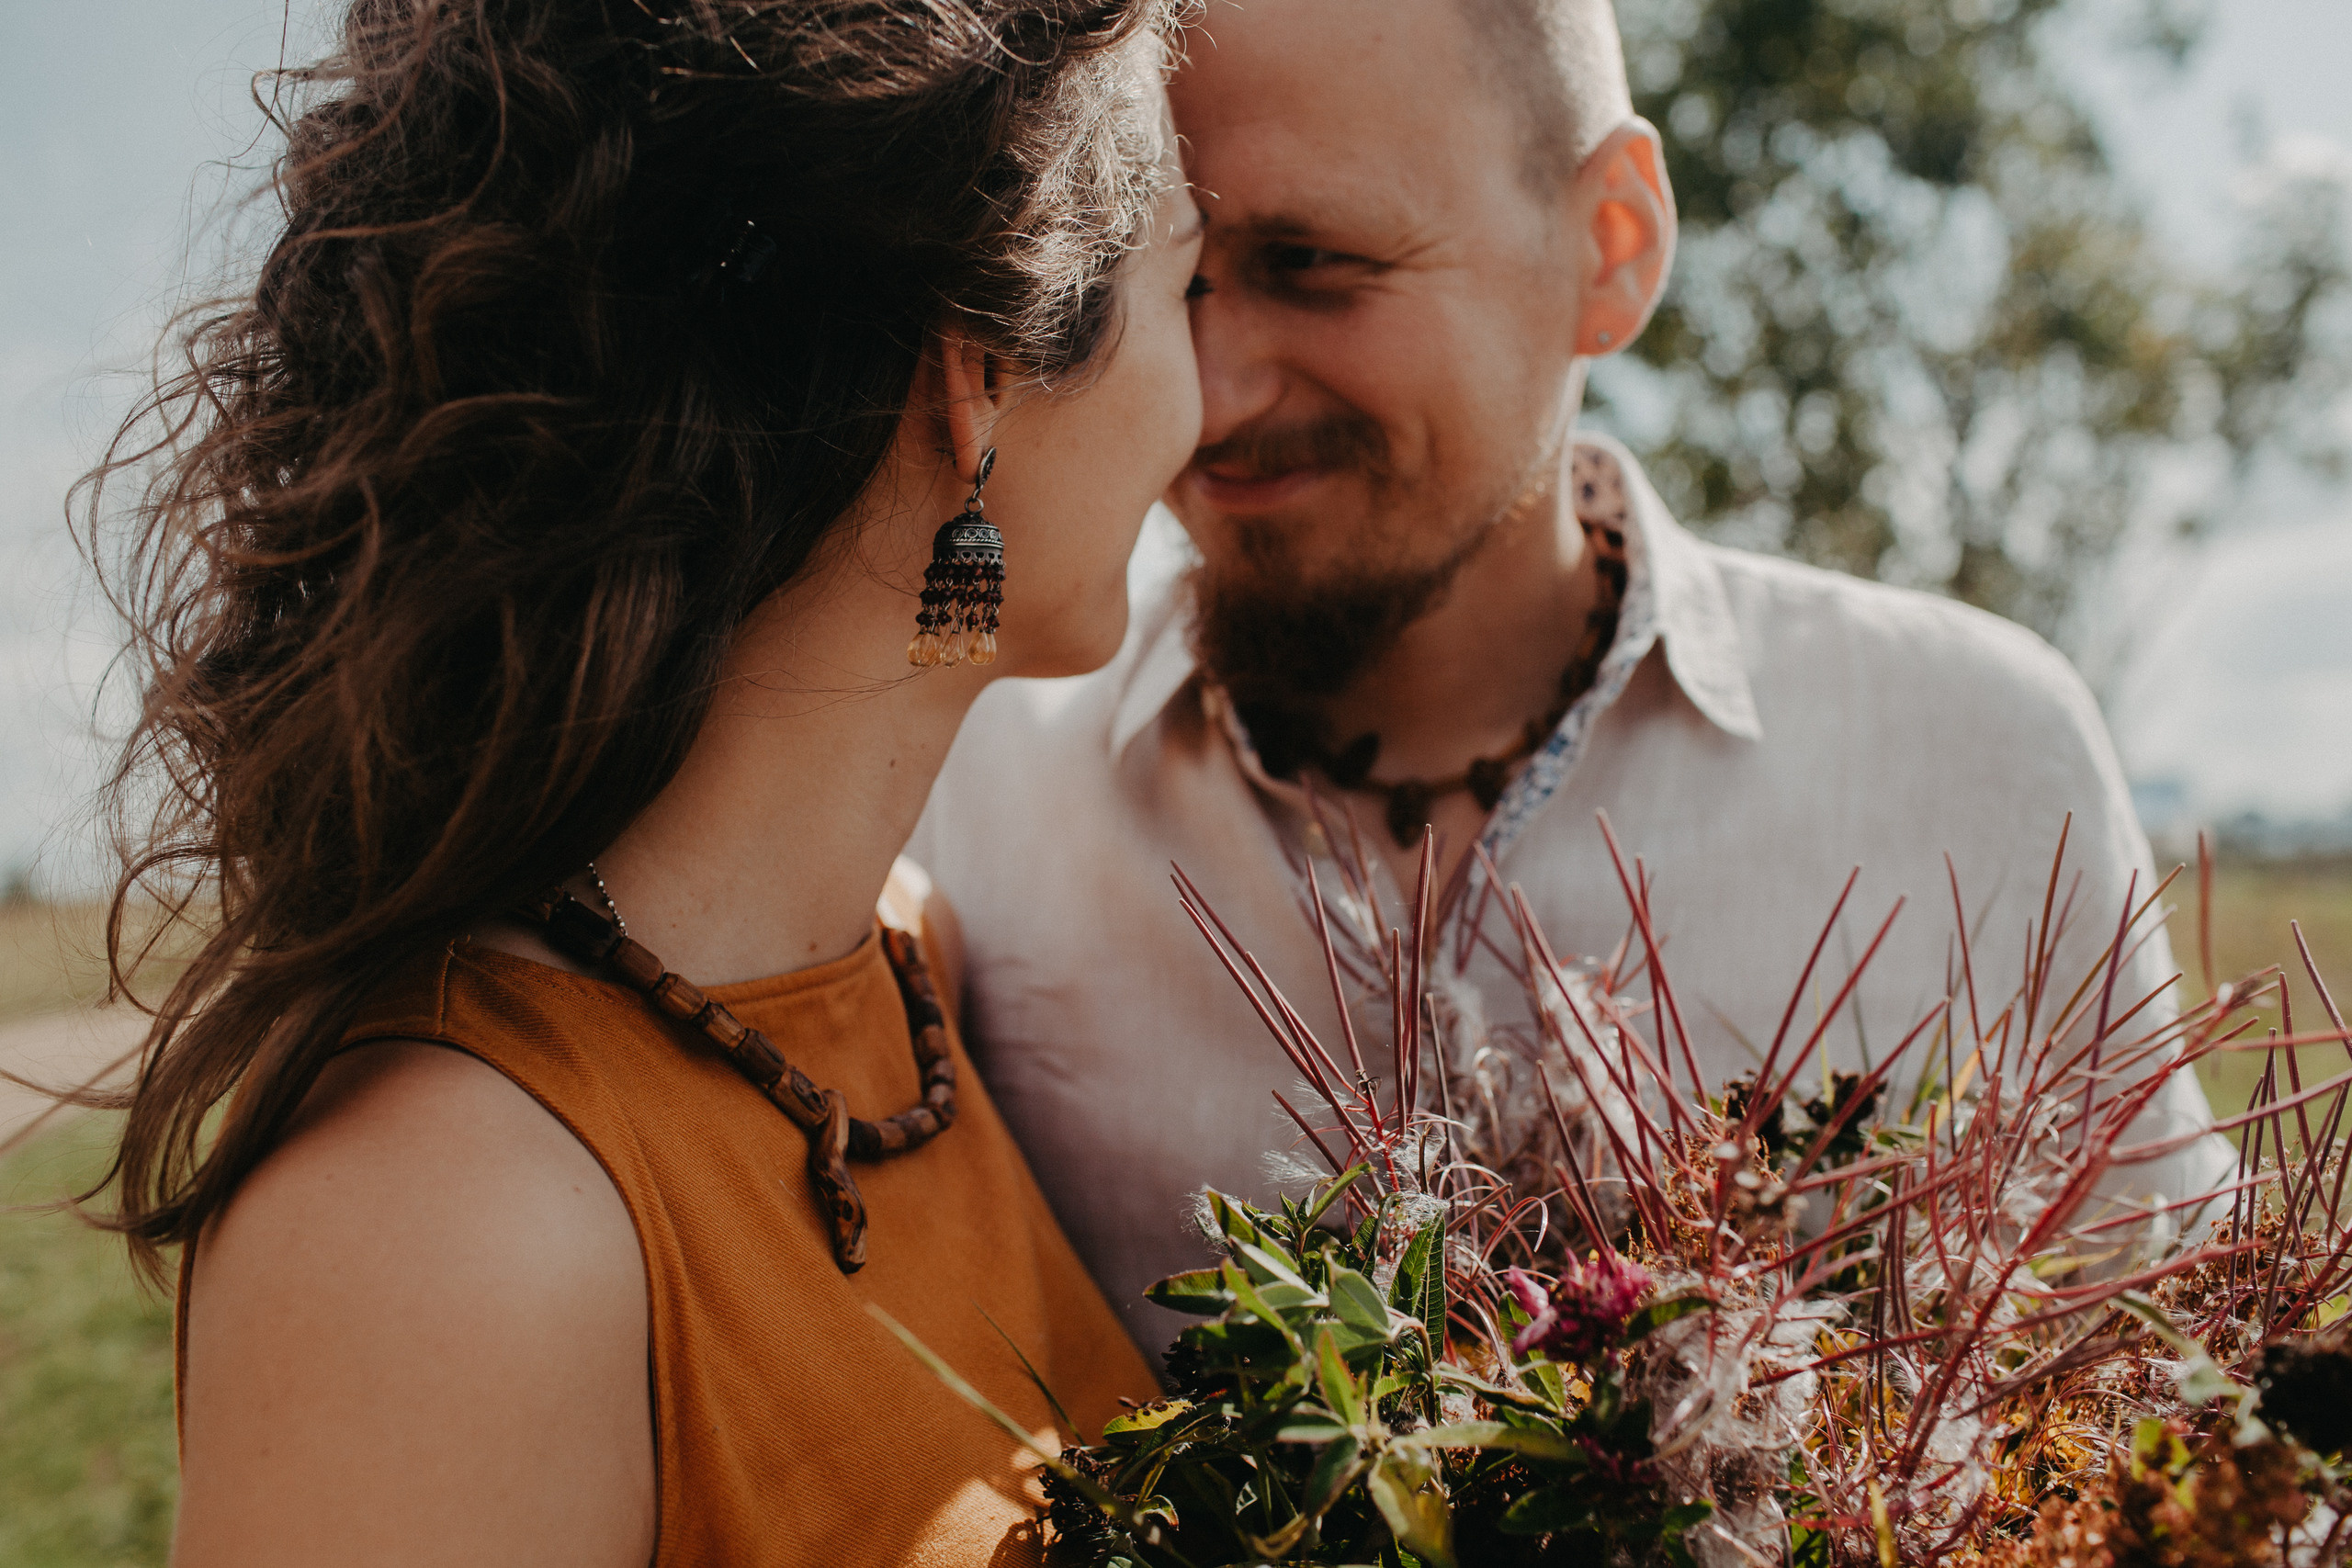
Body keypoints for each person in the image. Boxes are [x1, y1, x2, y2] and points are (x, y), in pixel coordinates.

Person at [912, 0, 2232, 1355]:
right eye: (1158, 281)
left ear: (1611, 244)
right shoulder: (970, 785)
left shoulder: (1968, 756)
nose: (1216, 391)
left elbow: (2165, 1389)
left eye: (1312, 264)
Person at [85, 3, 1202, 1563]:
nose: (1216, 407)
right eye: (1189, 285)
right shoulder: (443, 1241)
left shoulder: (903, 967)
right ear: (985, 383)